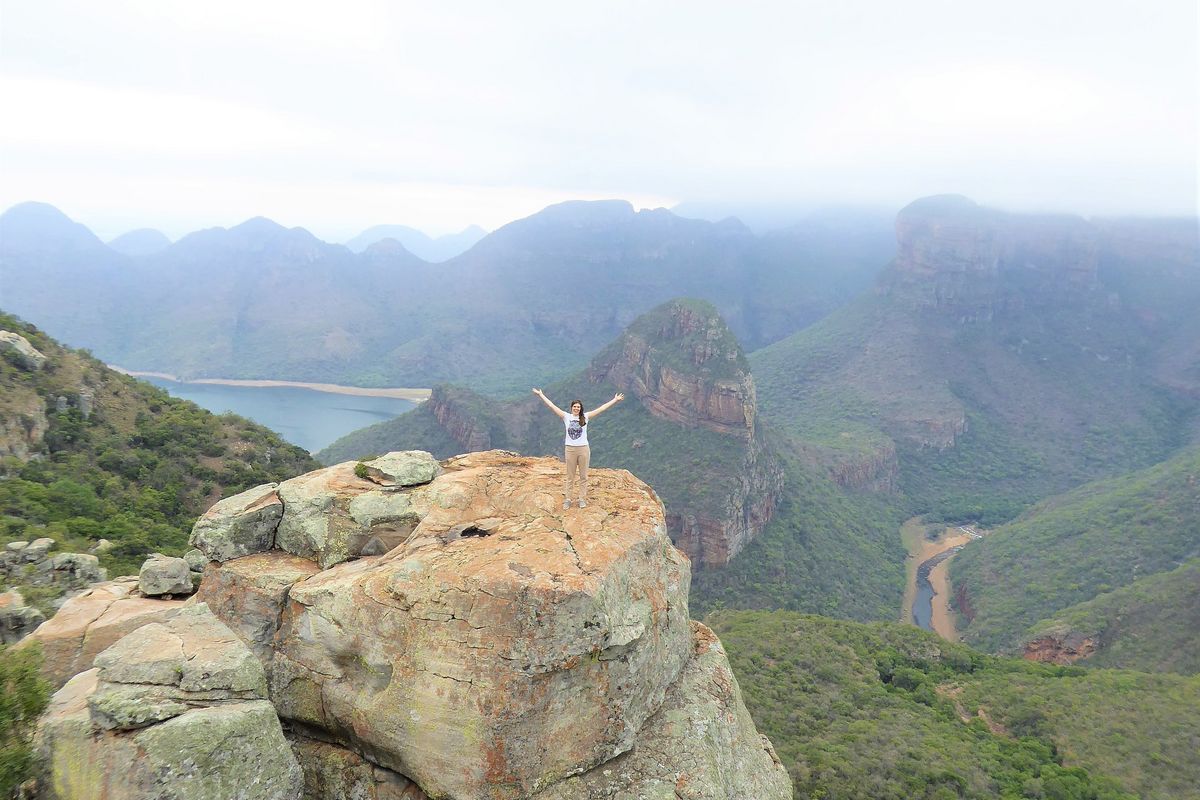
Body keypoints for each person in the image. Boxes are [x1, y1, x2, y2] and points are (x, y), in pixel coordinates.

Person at [531, 388, 624, 509]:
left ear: (581, 409)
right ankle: (568, 499)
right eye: (575, 406)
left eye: (578, 407)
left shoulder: (585, 417)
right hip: (570, 449)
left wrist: (615, 400)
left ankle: (582, 499)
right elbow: (552, 406)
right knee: (570, 476)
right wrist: (541, 395)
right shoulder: (566, 417)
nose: (576, 408)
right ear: (571, 408)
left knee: (583, 476)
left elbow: (601, 409)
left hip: (583, 449)